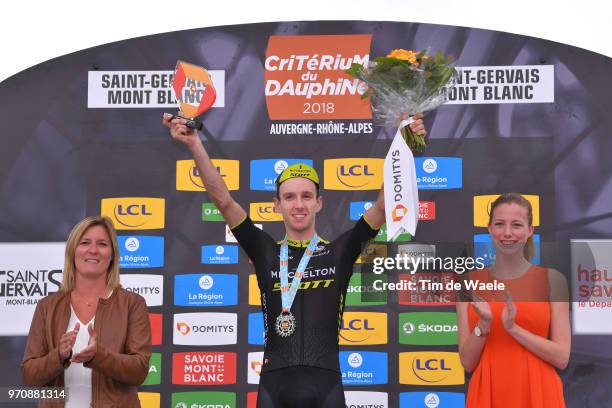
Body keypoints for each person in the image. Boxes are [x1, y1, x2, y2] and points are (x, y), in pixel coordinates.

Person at [163, 112, 425, 407]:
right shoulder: (266, 252)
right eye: (289, 197)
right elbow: (223, 201)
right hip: (275, 388)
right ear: (277, 205)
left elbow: (382, 205)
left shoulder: (339, 252)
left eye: (305, 196)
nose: (298, 205)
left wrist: (405, 144)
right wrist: (195, 144)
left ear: (318, 203)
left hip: (326, 386)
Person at [22, 216, 152, 408]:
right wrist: (58, 355)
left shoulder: (132, 304)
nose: (93, 250)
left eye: (102, 244)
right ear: (73, 251)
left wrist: (99, 356)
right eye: (84, 243)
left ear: (112, 255)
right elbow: (29, 375)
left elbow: (139, 372)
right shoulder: (47, 306)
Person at [456, 193, 570, 408]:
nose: (507, 233)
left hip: (540, 392)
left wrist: (513, 329)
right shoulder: (468, 282)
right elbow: (467, 362)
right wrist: (484, 324)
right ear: (490, 229)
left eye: (517, 225)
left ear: (530, 231)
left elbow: (562, 357)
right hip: (487, 393)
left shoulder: (553, 279)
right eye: (500, 224)